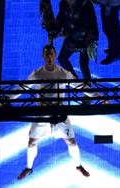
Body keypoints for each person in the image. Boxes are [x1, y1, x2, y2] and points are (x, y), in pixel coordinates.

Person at [16, 44, 90, 180]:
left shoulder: (63, 73)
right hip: (42, 115)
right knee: (32, 142)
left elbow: (80, 86)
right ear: (43, 56)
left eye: (51, 54)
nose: (49, 56)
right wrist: (3, 100)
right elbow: (21, 88)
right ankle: (28, 168)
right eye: (47, 54)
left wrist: (99, 97)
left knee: (72, 142)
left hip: (60, 114)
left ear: (55, 56)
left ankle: (78, 165)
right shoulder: (37, 74)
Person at [55, 0, 99, 83]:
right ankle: (74, 80)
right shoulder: (63, 4)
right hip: (71, 36)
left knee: (83, 64)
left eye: (71, 0)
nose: (69, 2)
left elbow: (86, 24)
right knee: (62, 59)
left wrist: (68, 33)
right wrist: (55, 27)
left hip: (87, 38)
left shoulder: (86, 4)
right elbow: (60, 17)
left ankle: (87, 89)